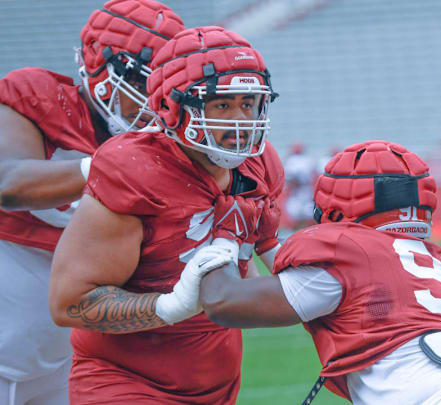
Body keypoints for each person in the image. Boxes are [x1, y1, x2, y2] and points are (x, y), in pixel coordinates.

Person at [188, 141, 441, 404]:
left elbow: (223, 302)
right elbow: (311, 288)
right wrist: (266, 241)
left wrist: (224, 234)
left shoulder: (348, 255)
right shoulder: (434, 257)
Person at [48, 26, 284, 403]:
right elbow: (69, 302)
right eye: (222, 105)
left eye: (248, 103)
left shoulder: (260, 163)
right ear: (173, 107)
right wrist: (171, 306)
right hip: (125, 382)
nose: (239, 122)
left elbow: (270, 253)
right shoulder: (136, 171)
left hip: (215, 382)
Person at [0, 1, 184, 404]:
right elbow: (8, 182)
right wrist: (108, 166)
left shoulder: (166, 145)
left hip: (72, 356)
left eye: (162, 83)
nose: (151, 97)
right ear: (99, 65)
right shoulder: (39, 96)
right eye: (140, 79)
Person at [284, 142, 317, 229]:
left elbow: (289, 179)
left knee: (300, 213)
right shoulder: (307, 160)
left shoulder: (292, 160)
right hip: (301, 191)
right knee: (301, 213)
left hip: (300, 191)